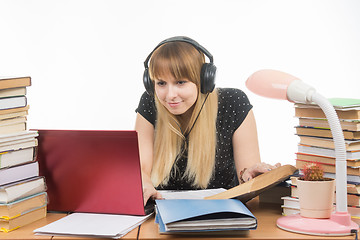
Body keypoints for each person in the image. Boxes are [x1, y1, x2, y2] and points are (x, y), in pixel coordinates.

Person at [135, 36, 280, 204]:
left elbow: (246, 180)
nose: (170, 95)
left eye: (180, 82)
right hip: (161, 217)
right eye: (161, 83)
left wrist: (252, 175)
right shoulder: (150, 102)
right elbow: (141, 167)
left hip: (221, 215)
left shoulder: (233, 103)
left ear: (204, 80)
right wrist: (142, 180)